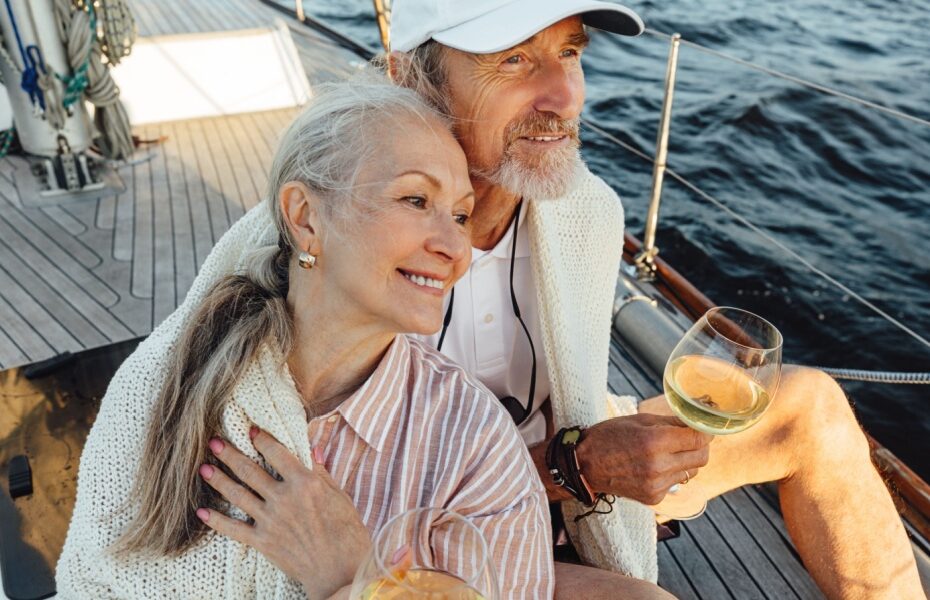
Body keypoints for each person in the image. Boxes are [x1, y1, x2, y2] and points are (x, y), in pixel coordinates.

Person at [383, 1, 925, 599]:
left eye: (570, 52)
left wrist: (594, 454)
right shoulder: (345, 239)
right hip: (436, 531)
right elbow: (358, 499)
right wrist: (576, 466)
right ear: (409, 79)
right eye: (513, 59)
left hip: (564, 470)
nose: (565, 97)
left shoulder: (583, 212)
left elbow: (574, 399)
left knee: (809, 407)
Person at [55, 79, 554, 599]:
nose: (456, 247)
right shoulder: (167, 377)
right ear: (305, 217)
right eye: (415, 199)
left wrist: (353, 577)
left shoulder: (474, 446)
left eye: (460, 216)